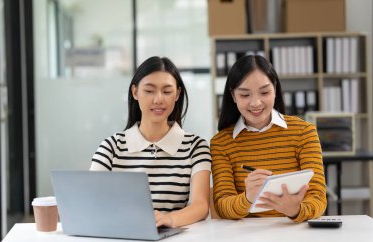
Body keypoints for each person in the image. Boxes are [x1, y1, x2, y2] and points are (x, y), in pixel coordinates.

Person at [90, 56, 211, 228]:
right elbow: (91, 200)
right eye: (149, 91)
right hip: (123, 239)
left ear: (177, 94)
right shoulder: (110, 147)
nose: (158, 99)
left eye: (167, 91)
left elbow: (201, 206)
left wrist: (169, 219)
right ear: (135, 92)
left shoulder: (196, 147)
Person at [211, 55, 327, 222]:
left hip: (295, 232)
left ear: (275, 90)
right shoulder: (221, 143)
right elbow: (222, 206)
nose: (256, 103)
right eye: (245, 95)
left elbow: (318, 198)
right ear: (233, 96)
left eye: (264, 92)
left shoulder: (304, 132)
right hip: (245, 238)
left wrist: (295, 210)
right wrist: (248, 197)